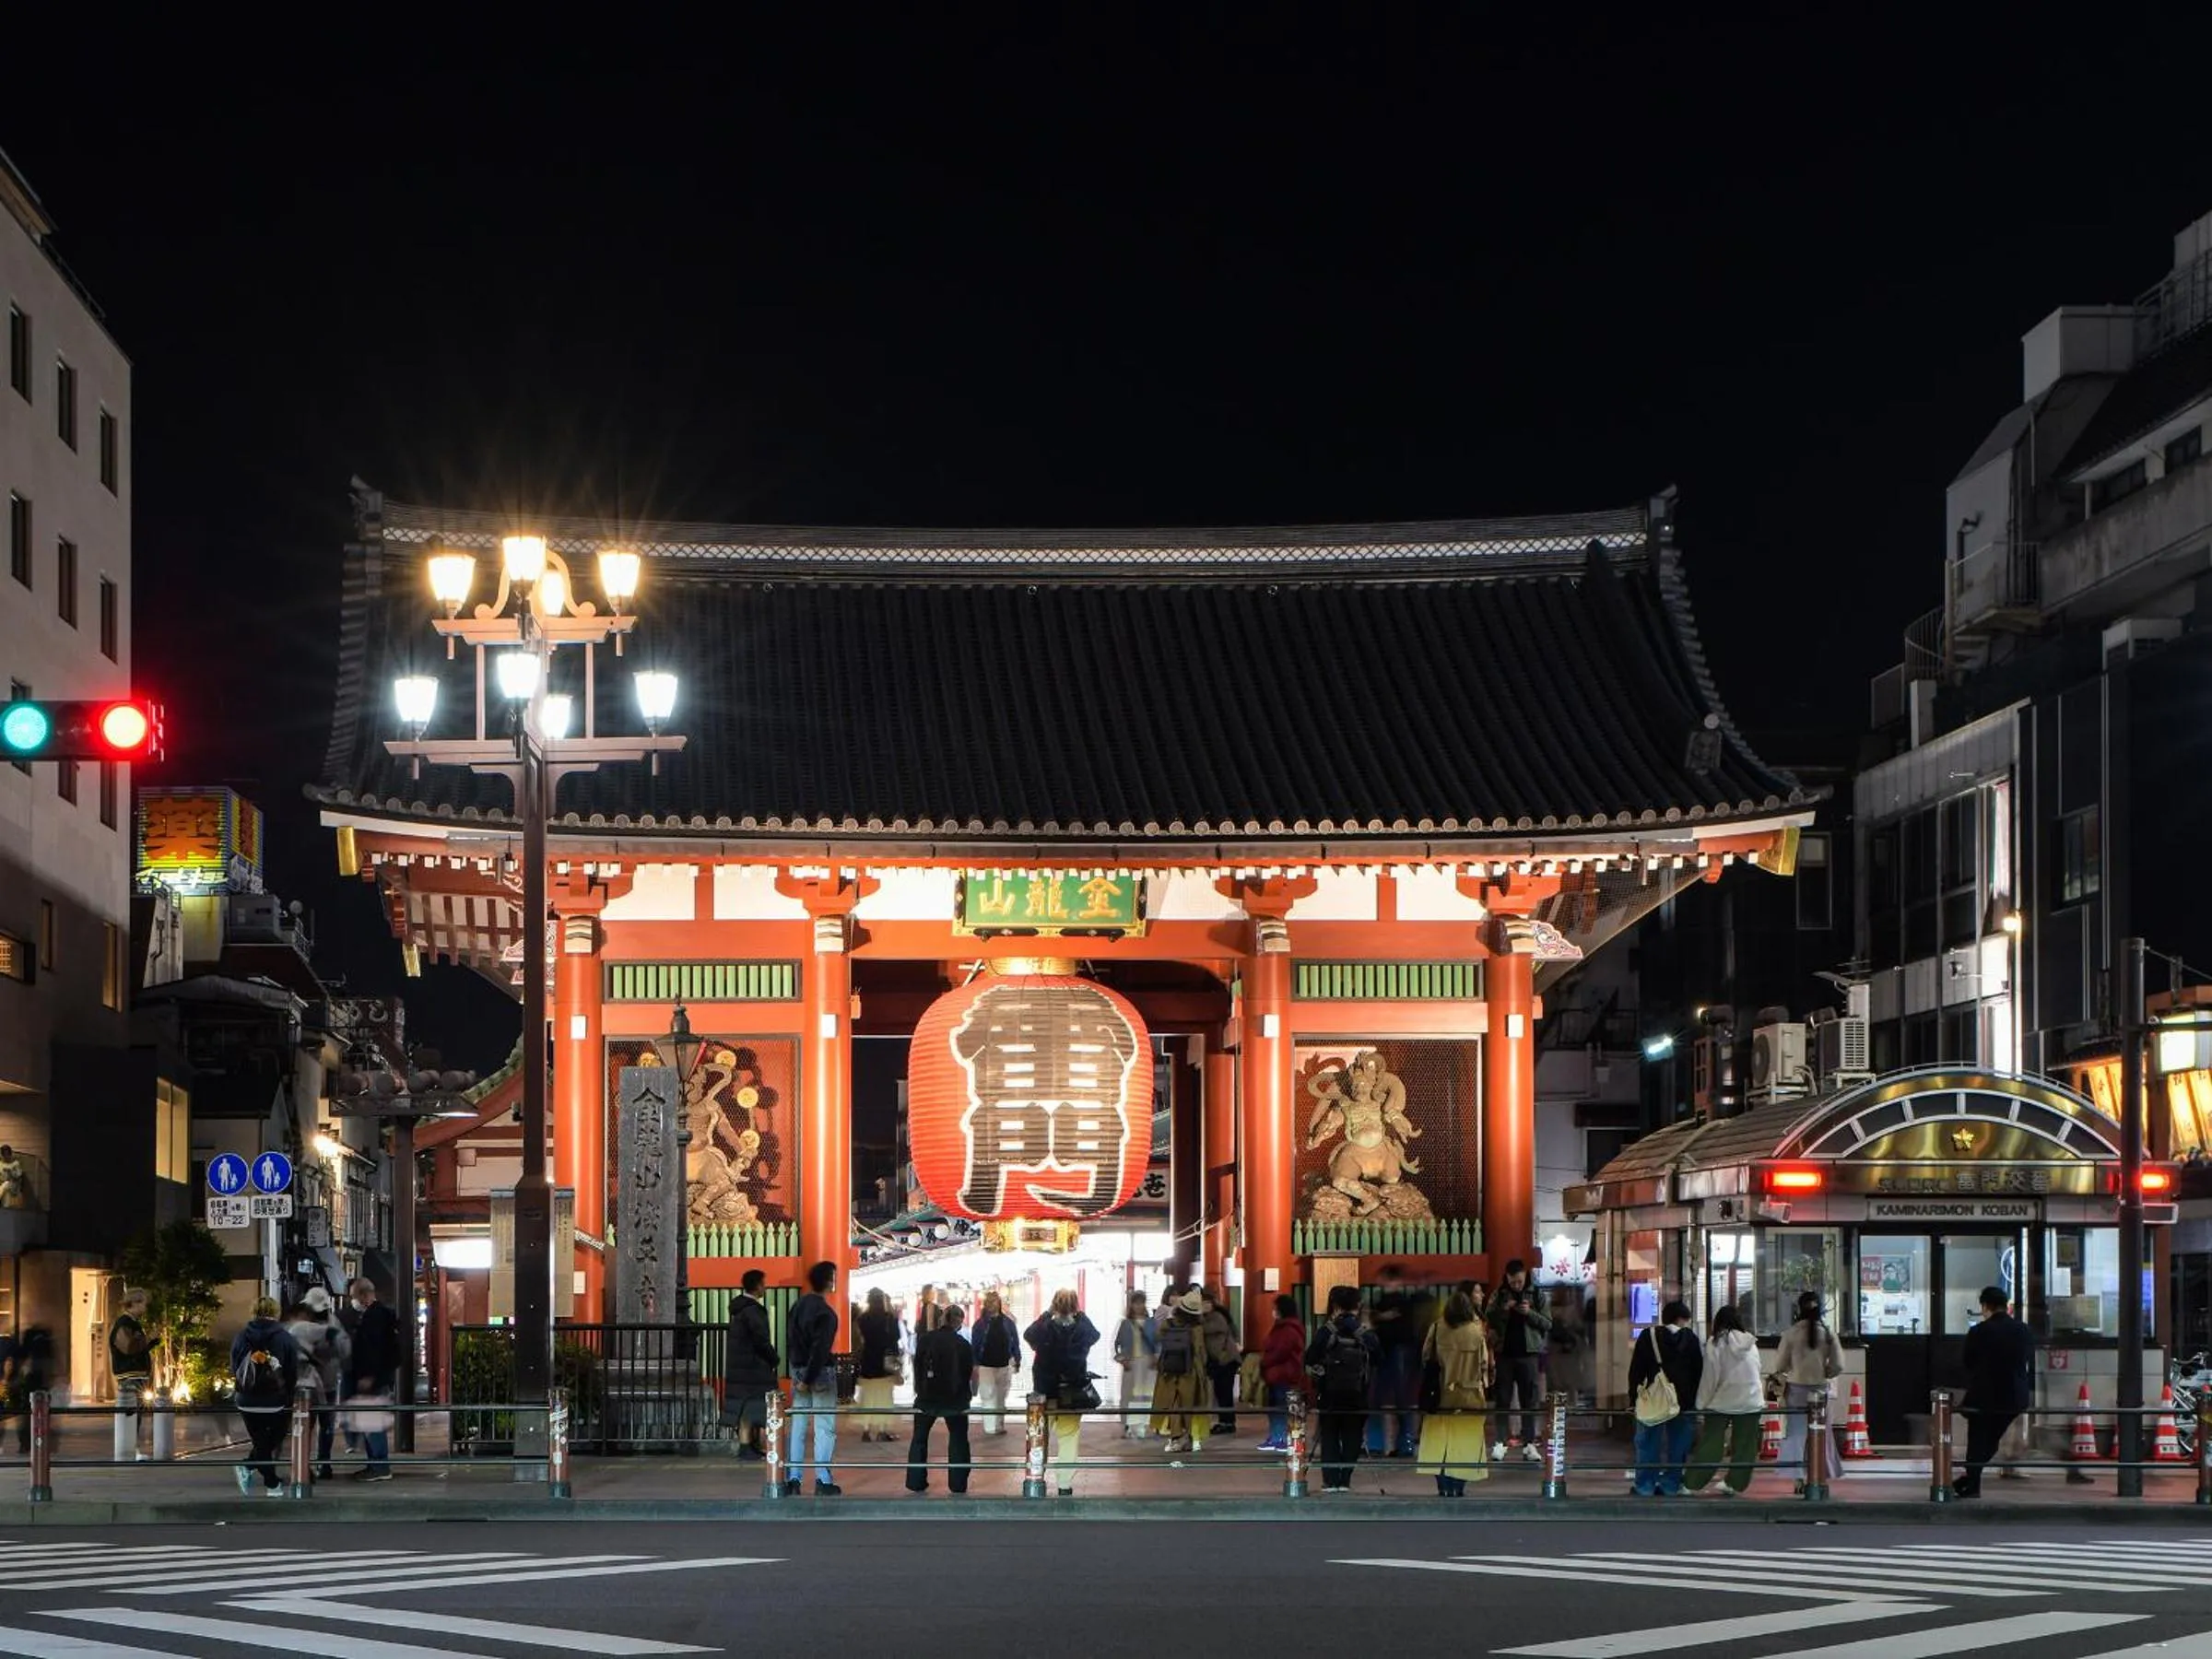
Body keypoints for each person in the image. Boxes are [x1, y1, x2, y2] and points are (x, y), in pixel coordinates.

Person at [1956, 1286, 2034, 1500]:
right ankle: (1968, 1481)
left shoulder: (1979, 1331)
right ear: (2006, 1306)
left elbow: (1968, 1362)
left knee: (1979, 1439)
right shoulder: (2023, 1330)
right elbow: (2026, 1359)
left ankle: (1972, 1484)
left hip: (1985, 1396)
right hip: (2015, 1397)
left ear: (1985, 1306)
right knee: (1991, 1440)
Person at [1416, 1291, 1492, 1496]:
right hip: (1469, 1395)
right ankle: (1458, 1487)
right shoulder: (1477, 1332)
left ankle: (1443, 1486)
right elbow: (1485, 1365)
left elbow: (1425, 1357)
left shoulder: (1437, 1327)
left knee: (1439, 1444)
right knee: (1465, 1443)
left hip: (1440, 1394)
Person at [1024, 1288, 1100, 1495]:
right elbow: (1095, 1336)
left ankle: (1036, 1479)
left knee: (1040, 1435)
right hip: (1071, 1393)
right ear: (1076, 1306)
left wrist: (1047, 1314)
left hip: (1044, 1392)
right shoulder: (1082, 1328)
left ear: (1053, 1304)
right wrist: (1080, 1315)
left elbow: (1028, 1336)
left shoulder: (1045, 1326)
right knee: (1068, 1437)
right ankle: (1064, 1484)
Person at [1306, 1285, 1380, 1492]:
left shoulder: (1327, 1331)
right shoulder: (1364, 1333)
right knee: (1352, 1435)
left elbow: (1310, 1358)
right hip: (1357, 1393)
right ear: (1357, 1306)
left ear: (1335, 1305)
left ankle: (1330, 1480)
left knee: (1329, 1434)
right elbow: (1379, 1358)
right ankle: (1345, 1480)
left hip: (1329, 1393)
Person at [1684, 1305, 1763, 1497]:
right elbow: (1758, 1368)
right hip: (1751, 1399)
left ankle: (1692, 1484)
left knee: (1712, 1442)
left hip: (1722, 1399)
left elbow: (1710, 1377)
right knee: (1746, 1445)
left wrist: (1701, 1403)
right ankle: (1734, 1484)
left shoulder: (1715, 1343)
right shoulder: (1751, 1342)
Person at [1628, 1300, 1702, 1497]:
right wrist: (1694, 1399)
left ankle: (1644, 1486)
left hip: (1655, 1399)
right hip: (1683, 1401)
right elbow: (1698, 1372)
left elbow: (1636, 1370)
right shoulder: (1691, 1339)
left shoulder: (1649, 1336)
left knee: (1648, 1444)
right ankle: (1671, 1484)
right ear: (1682, 1319)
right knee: (1678, 1447)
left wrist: (1633, 1398)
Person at [230, 1295, 303, 1497]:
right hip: (275, 1399)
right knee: (273, 1438)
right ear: (276, 1312)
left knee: (260, 1440)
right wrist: (288, 1393)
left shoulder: (241, 1336)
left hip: (246, 1398)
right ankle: (271, 1484)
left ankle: (255, 1471)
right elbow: (292, 1371)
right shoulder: (285, 1337)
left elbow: (234, 1367)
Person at [1773, 1289, 1844, 1495]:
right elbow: (1839, 1363)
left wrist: (1791, 1370)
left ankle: (1798, 1478)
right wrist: (1826, 1372)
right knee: (1822, 1434)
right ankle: (1820, 1475)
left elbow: (1780, 1364)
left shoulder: (1791, 1333)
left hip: (1796, 1389)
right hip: (1820, 1390)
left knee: (1796, 1434)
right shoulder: (1828, 1333)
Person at [906, 1302, 977, 1494]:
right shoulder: (963, 1345)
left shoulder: (925, 1341)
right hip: (955, 1400)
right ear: (959, 1322)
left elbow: (917, 1367)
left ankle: (916, 1481)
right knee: (958, 1439)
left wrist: (919, 1390)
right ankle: (957, 1483)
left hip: (926, 1398)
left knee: (919, 1439)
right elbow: (967, 1373)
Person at [1485, 1259, 1552, 1461]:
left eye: (1520, 1281)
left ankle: (1530, 1443)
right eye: (1513, 1281)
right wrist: (1504, 1310)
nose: (1517, 1285)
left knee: (1529, 1400)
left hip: (1528, 1353)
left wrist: (1529, 1313)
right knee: (1503, 1399)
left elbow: (1547, 1323)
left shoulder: (1537, 1294)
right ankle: (1500, 1442)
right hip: (1504, 1353)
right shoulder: (1499, 1295)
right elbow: (1489, 1318)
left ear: (1525, 1276)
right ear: (1506, 1278)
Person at [785, 1259, 842, 1496]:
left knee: (798, 1426)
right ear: (829, 1281)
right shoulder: (826, 1314)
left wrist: (799, 1376)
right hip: (820, 1376)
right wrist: (809, 1378)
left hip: (798, 1370)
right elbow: (820, 1350)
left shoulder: (797, 1306)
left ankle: (793, 1478)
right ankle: (823, 1478)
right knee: (824, 1427)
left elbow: (790, 1342)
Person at [720, 1269, 779, 1460]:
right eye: (764, 1283)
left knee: (745, 1406)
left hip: (740, 1366)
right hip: (753, 1367)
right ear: (758, 1286)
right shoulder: (753, 1311)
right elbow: (760, 1340)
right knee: (751, 1407)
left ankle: (748, 1445)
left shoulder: (740, 1309)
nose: (765, 1287)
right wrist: (773, 1358)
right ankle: (746, 1447)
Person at [345, 1277, 400, 1480]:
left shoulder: (373, 1317)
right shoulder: (384, 1314)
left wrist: (369, 1375)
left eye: (354, 1297)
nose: (353, 1301)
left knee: (372, 1423)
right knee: (370, 1422)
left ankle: (379, 1466)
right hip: (379, 1377)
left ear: (364, 1295)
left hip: (372, 1379)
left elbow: (372, 1350)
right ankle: (375, 1465)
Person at [1365, 1265, 1419, 1456]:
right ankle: (1404, 1444)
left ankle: (1381, 1445)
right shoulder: (1401, 1303)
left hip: (1391, 1352)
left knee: (1383, 1400)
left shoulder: (1387, 1303)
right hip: (1398, 1353)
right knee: (1399, 1400)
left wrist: (1379, 1318)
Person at [1150, 1288, 1211, 1453]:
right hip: (1191, 1370)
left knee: (1173, 1404)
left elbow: (1157, 1337)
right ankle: (1193, 1438)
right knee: (1192, 1404)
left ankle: (1175, 1439)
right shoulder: (1197, 1328)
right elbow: (1200, 1351)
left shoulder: (1167, 1324)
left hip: (1169, 1370)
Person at [298, 1287, 348, 1479]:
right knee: (325, 1426)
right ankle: (323, 1463)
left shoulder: (304, 1325)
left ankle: (307, 1464)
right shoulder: (334, 1324)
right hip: (327, 1382)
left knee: (306, 1425)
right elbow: (343, 1350)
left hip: (307, 1384)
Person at [1257, 1294, 1306, 1452]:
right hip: (1277, 1374)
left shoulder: (1288, 1329)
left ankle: (1281, 1438)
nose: (1273, 1311)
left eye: (1275, 1308)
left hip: (1283, 1374)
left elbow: (1280, 1351)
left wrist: (1265, 1361)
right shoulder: (1283, 1327)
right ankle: (1276, 1436)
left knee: (1280, 1406)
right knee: (1275, 1406)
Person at [970, 1289, 1021, 1436]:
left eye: (994, 1301)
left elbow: (1015, 1342)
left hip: (1004, 1363)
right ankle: (990, 1427)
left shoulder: (1008, 1323)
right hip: (985, 1364)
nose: (992, 1304)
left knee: (1001, 1396)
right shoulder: (980, 1325)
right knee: (988, 1395)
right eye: (990, 1302)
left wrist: (1017, 1359)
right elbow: (975, 1344)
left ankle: (998, 1425)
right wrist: (974, 1363)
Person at [853, 1288, 902, 1441]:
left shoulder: (863, 1319)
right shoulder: (890, 1318)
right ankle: (882, 1431)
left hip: (868, 1361)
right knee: (885, 1398)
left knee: (867, 1398)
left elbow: (860, 1340)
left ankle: (866, 1431)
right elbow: (895, 1338)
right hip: (885, 1363)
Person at [110, 1289, 154, 1456]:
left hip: (136, 1373)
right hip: (130, 1374)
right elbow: (128, 1347)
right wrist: (147, 1340)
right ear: (133, 1303)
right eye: (142, 1303)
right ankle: (130, 1449)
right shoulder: (124, 1323)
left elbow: (136, 1348)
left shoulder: (132, 1323)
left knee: (136, 1413)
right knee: (131, 1413)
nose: (145, 1307)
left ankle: (132, 1448)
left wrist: (149, 1343)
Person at [1112, 1290, 1158, 1440]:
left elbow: (1158, 1343)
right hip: (1130, 1362)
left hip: (1147, 1362)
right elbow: (1116, 1344)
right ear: (1131, 1305)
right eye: (1136, 1302)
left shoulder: (1152, 1323)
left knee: (1145, 1395)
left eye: (1141, 1302)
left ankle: (1142, 1425)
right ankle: (1128, 1426)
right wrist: (1121, 1359)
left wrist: (1156, 1357)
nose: (1139, 1306)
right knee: (1128, 1395)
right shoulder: (1125, 1323)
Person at [1200, 1288, 1241, 1436]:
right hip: (1219, 1360)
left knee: (1225, 1392)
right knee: (1221, 1392)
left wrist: (1198, 1322)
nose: (1204, 1306)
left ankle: (1228, 1423)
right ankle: (1224, 1421)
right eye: (1202, 1303)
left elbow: (1214, 1329)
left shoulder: (1216, 1316)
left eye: (1207, 1303)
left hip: (1226, 1359)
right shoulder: (1208, 1317)